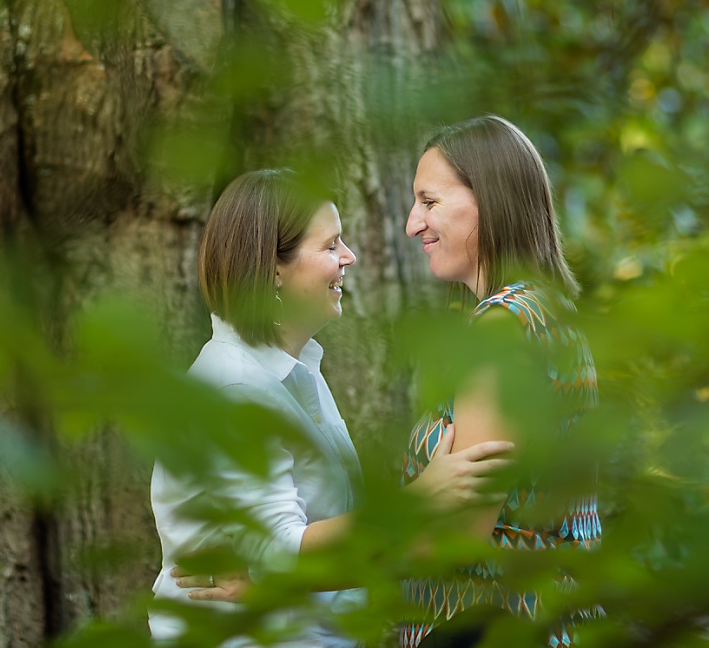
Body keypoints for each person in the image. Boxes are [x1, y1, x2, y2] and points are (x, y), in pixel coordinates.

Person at [150, 168, 512, 648]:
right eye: (330, 245)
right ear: (273, 269)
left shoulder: (295, 372)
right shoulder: (235, 387)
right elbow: (280, 552)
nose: (349, 256)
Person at [400, 115, 601, 648]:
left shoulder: (503, 326)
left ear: (489, 199)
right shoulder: (546, 313)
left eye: (429, 201)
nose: (413, 224)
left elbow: (460, 538)